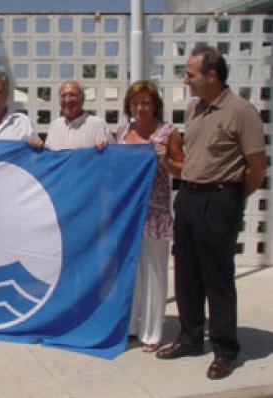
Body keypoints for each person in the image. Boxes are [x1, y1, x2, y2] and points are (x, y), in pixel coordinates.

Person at [156, 47, 266, 380]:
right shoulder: (194, 109)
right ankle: (190, 338)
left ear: (212, 76)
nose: (185, 80)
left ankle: (224, 348)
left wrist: (231, 197)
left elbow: (257, 169)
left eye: (190, 74)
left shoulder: (242, 112)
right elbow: (193, 159)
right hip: (188, 198)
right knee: (187, 275)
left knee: (217, 278)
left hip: (220, 200)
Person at [117, 80, 184, 352]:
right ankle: (132, 327)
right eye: (135, 103)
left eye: (146, 102)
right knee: (130, 274)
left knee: (154, 273)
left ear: (155, 104)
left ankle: (152, 333)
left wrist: (166, 158)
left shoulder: (169, 132)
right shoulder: (122, 132)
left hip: (154, 212)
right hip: (128, 214)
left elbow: (183, 168)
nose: (140, 107)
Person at [45, 80, 113, 150]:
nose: (67, 100)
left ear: (83, 99)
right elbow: (48, 156)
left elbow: (112, 154)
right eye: (63, 96)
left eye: (72, 95)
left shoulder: (98, 124)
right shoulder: (55, 125)